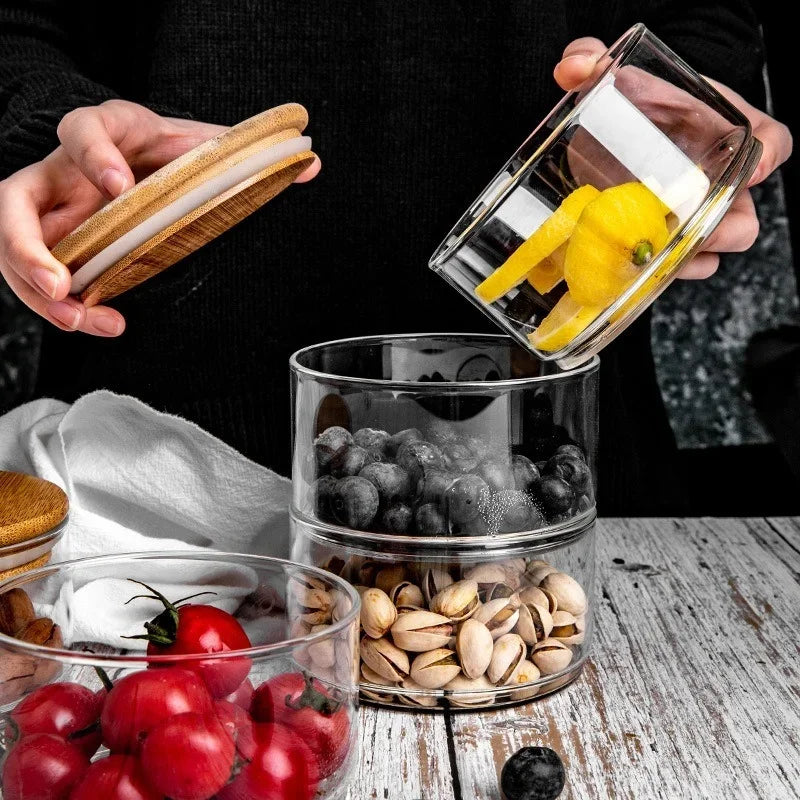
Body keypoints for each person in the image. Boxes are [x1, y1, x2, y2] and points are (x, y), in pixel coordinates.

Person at [0, 2, 791, 515]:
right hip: (146, 497)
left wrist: (689, 115)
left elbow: (708, 12)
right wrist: (44, 123)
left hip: (565, 493)